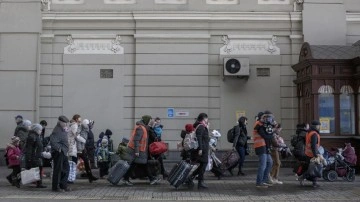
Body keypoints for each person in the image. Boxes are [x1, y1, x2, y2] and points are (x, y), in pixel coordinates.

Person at [122, 115, 161, 186]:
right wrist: (136, 151)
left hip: (140, 151)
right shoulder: (140, 128)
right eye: (149, 121)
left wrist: (151, 126)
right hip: (137, 151)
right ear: (146, 120)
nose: (149, 122)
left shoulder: (142, 127)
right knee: (141, 164)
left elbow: (147, 129)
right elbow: (136, 140)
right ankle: (151, 179)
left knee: (136, 165)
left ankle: (126, 178)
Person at [186, 113, 210, 189]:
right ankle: (199, 182)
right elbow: (199, 138)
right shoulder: (201, 127)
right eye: (206, 118)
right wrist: (200, 149)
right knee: (204, 164)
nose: (207, 120)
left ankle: (192, 178)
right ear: (203, 119)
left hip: (203, 149)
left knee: (202, 165)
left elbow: (204, 137)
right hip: (202, 150)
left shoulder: (201, 126)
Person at [254, 111, 275, 188]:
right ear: (260, 118)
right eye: (264, 117)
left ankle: (264, 179)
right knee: (263, 165)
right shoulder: (258, 125)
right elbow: (265, 136)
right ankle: (259, 182)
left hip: (265, 147)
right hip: (260, 147)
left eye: (267, 117)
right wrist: (272, 134)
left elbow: (268, 134)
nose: (266, 118)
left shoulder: (263, 125)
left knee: (270, 162)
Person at [50, 115, 71, 192]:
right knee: (58, 170)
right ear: (60, 122)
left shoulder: (62, 129)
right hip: (59, 152)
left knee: (66, 168)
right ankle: (55, 187)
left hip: (63, 152)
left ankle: (63, 185)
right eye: (65, 123)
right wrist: (59, 149)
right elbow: (53, 141)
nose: (66, 125)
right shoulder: (57, 130)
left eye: (66, 123)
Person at [299, 120, 322, 188]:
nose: (319, 127)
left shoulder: (309, 132)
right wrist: (316, 155)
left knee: (313, 168)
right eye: (318, 126)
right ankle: (303, 177)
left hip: (308, 153)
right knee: (313, 168)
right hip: (312, 154)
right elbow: (313, 145)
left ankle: (314, 182)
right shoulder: (314, 134)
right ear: (316, 126)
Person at [25, 124, 46, 188]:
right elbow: (29, 148)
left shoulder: (36, 136)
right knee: (37, 169)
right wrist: (29, 158)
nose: (41, 131)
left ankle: (39, 183)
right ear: (36, 130)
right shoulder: (32, 136)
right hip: (34, 156)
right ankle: (38, 183)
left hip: (37, 155)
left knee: (39, 169)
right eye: (40, 130)